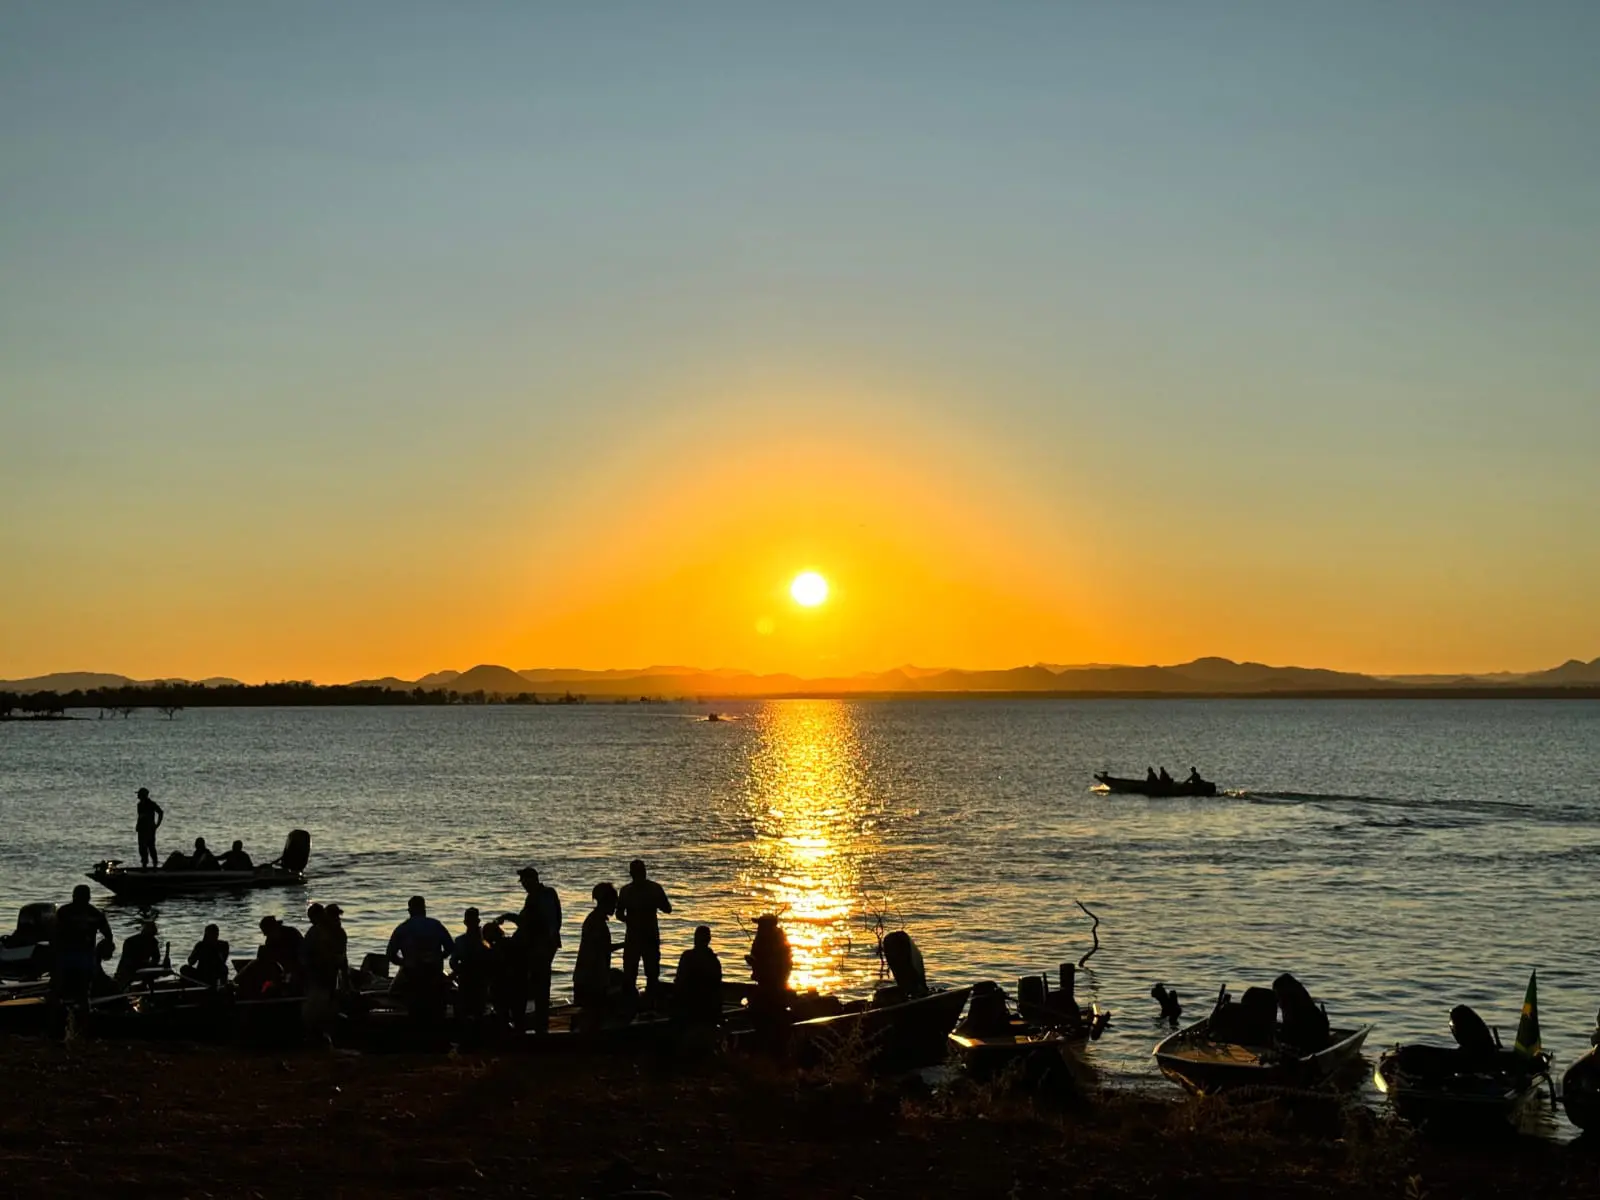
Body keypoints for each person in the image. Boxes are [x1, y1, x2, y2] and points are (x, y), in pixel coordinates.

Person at [501, 867, 562, 1034]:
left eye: (525, 881)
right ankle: (537, 1024)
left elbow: (548, 923)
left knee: (539, 987)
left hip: (540, 948)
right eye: (523, 882)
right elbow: (527, 922)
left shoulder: (544, 895)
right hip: (536, 947)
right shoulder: (536, 896)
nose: (524, 885)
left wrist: (548, 945)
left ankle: (540, 1026)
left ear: (533, 879)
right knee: (535, 986)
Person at [386, 896, 454, 1030]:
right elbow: (450, 947)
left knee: (409, 1004)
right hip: (433, 972)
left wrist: (404, 963)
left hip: (413, 974)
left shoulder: (403, 928)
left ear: (409, 910)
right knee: (436, 1008)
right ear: (424, 909)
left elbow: (390, 954)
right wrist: (439, 957)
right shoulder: (436, 925)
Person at [616, 859, 672, 1002]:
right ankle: (646, 1003)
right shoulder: (654, 888)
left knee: (636, 974)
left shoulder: (627, 890)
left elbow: (619, 914)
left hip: (640, 937)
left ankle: (637, 1004)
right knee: (647, 974)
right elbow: (667, 909)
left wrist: (629, 919)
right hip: (644, 937)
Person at [53, 885, 115, 1006]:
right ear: (89, 897)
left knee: (64, 984)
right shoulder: (94, 913)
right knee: (82, 986)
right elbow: (108, 934)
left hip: (70, 953)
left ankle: (63, 1005)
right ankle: (81, 1005)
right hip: (81, 954)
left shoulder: (64, 911)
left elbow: (54, 932)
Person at [573, 882, 621, 1030]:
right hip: (591, 978)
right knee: (593, 1017)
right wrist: (627, 944)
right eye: (614, 902)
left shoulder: (595, 919)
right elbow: (602, 948)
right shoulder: (596, 922)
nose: (615, 906)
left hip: (590, 977)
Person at [303, 902, 349, 1039]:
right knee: (322, 1006)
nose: (338, 920)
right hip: (320, 974)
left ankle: (322, 1034)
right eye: (336, 917)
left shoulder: (331, 932)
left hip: (324, 974)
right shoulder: (321, 932)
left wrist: (345, 979)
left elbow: (341, 958)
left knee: (323, 1006)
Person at [672, 925, 723, 1027]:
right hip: (707, 1008)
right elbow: (718, 988)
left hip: (690, 1008)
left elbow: (679, 983)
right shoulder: (714, 961)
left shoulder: (687, 957)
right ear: (709, 940)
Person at [450, 907, 489, 1025]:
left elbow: (453, 962)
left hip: (476, 979)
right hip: (470, 979)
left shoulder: (484, 941)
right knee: (473, 1011)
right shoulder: (462, 941)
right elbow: (453, 962)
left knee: (471, 1012)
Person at [114, 920, 162, 988]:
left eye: (153, 935)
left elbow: (156, 957)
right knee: (123, 980)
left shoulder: (153, 942)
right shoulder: (130, 942)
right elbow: (127, 960)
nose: (152, 937)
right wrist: (145, 964)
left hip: (143, 967)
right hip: (127, 969)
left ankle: (146, 987)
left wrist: (152, 964)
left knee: (151, 972)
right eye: (150, 935)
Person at [135, 787, 164, 868]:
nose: (138, 796)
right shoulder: (139, 805)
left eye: (139, 794)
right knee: (142, 848)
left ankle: (155, 863)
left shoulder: (151, 804)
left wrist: (157, 824)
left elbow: (160, 812)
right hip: (141, 829)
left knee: (151, 847)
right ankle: (144, 863)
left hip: (149, 829)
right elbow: (140, 817)